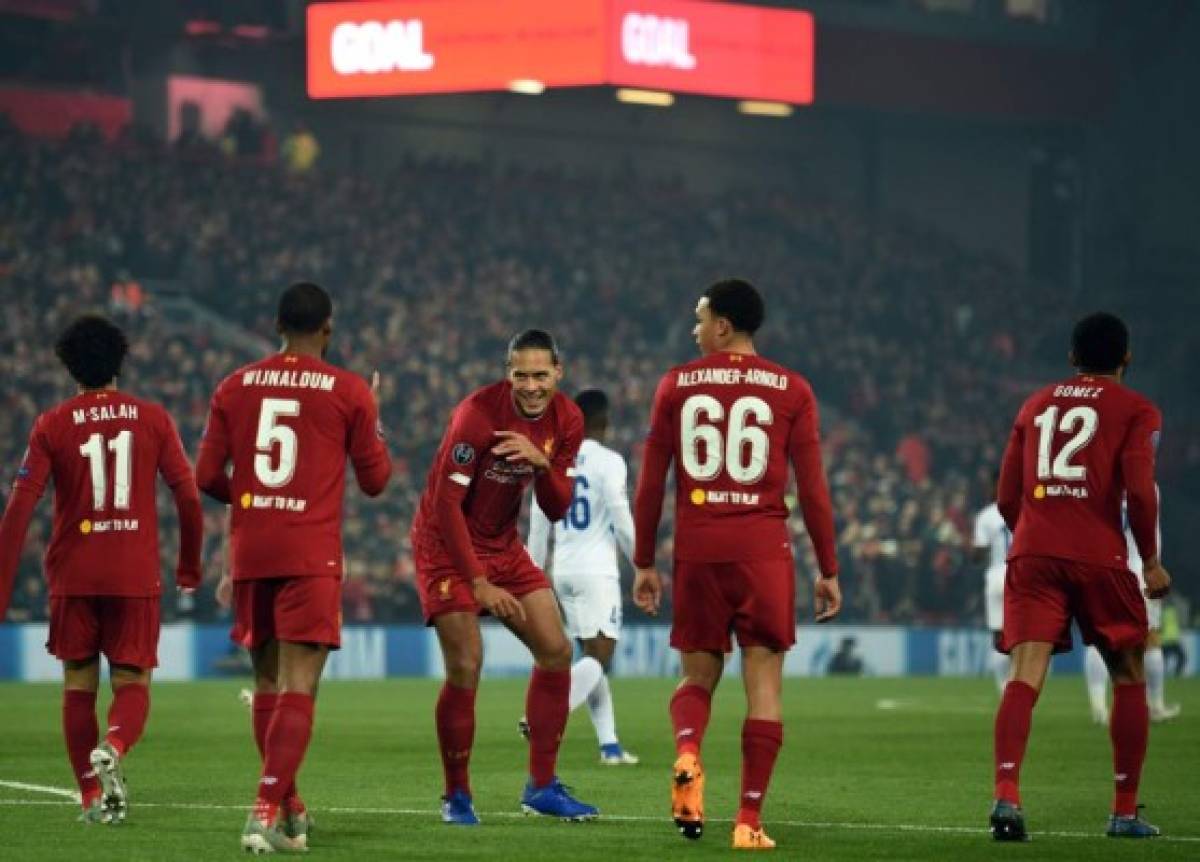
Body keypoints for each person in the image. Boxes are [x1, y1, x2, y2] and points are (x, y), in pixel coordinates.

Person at [631, 279, 841, 851]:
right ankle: (748, 821)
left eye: (700, 318)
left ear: (724, 325)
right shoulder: (792, 390)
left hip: (698, 548)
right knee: (765, 686)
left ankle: (689, 751)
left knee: (697, 675)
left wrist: (644, 560)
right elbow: (814, 490)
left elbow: (652, 482)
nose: (694, 328)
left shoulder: (675, 385)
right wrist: (828, 567)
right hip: (762, 550)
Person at [195, 282, 391, 852]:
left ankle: (291, 808)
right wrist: (374, 419)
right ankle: (261, 813)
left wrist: (256, 500)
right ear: (328, 328)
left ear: (276, 324)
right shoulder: (351, 392)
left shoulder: (234, 385)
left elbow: (208, 477)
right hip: (310, 552)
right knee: (300, 685)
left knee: (265, 683)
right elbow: (377, 483)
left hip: (254, 550)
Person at [0, 314, 203, 824]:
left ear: (71, 367)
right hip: (133, 574)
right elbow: (188, 497)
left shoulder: (50, 425)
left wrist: (1, 592)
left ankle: (91, 797)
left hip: (73, 575)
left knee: (77, 685)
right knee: (133, 683)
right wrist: (189, 567)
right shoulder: (153, 419)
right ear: (120, 361)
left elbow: (19, 509)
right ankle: (112, 744)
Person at [989, 312, 1170, 841]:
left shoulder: (1035, 403)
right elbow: (1138, 490)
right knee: (1130, 670)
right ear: (1126, 358)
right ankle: (1123, 810)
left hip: (1033, 552)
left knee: (1025, 673)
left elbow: (1005, 495)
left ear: (1071, 358)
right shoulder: (1138, 409)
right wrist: (1152, 561)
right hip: (1099, 555)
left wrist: (1033, 537)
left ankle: (1006, 796)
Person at [411, 329, 599, 826]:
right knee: (468, 663)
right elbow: (447, 505)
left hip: (502, 543)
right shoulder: (478, 416)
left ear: (559, 371)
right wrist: (477, 582)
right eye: (522, 375)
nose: (532, 385)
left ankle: (540, 787)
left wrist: (543, 465)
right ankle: (457, 795)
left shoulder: (568, 420)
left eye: (541, 375)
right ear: (507, 372)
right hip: (445, 545)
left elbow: (558, 508)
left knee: (557, 651)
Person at [526, 388, 639, 766]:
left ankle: (609, 746)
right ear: (604, 423)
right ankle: (542, 715)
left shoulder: (553, 458)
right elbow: (621, 519)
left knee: (591, 657)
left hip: (564, 570)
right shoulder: (609, 461)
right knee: (600, 655)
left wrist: (532, 571)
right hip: (597, 570)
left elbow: (539, 522)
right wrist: (643, 564)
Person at [1084, 489, 1180, 725]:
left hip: (1103, 570)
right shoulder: (1149, 487)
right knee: (1150, 638)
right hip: (1139, 571)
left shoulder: (1097, 478)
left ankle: (1098, 706)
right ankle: (1155, 705)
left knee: (1098, 637)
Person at [972, 472, 1012, 694]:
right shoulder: (1026, 509)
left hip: (997, 575)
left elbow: (978, 554)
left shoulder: (986, 516)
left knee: (998, 635)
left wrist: (975, 553)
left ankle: (1003, 690)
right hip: (1021, 577)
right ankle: (1020, 686)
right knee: (1022, 636)